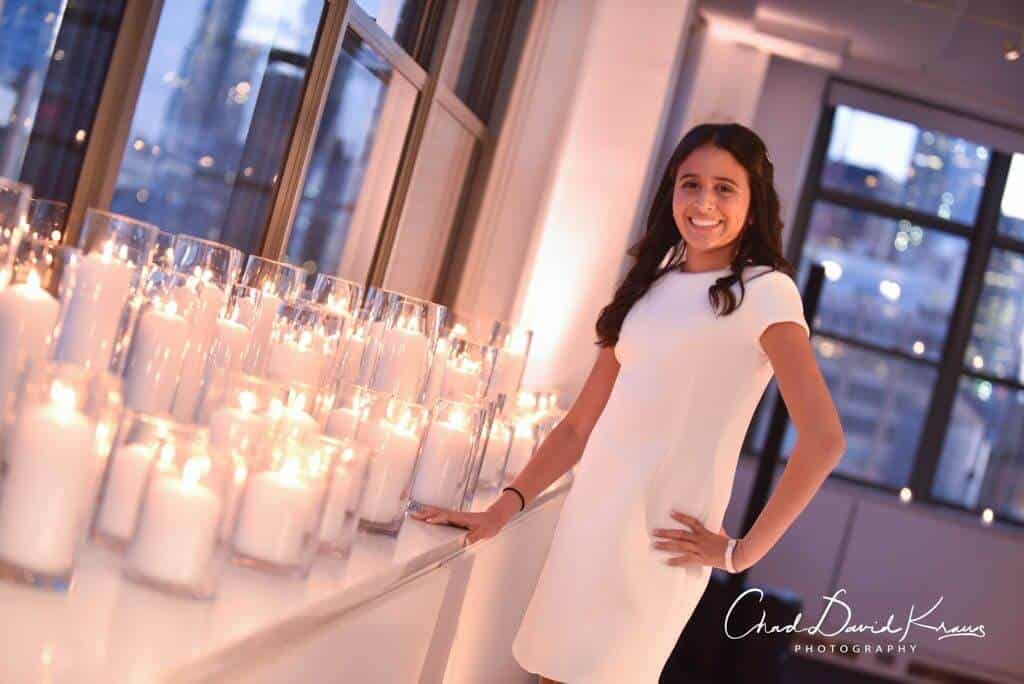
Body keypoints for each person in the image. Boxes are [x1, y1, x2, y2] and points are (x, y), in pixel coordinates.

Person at [410, 122, 846, 683]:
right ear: (672, 193)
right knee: (549, 676)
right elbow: (577, 429)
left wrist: (742, 553)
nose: (703, 202)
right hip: (591, 524)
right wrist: (500, 510)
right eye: (690, 184)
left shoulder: (767, 293)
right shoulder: (650, 284)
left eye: (724, 188)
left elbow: (824, 439)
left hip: (660, 544)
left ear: (754, 204)